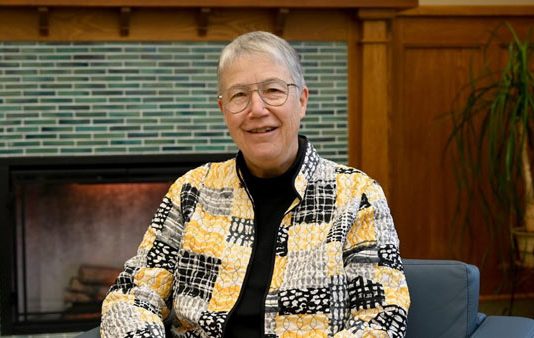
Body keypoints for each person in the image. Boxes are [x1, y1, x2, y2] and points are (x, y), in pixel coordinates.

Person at [101, 31, 410, 338]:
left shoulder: (357, 195)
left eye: (273, 90)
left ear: (301, 101)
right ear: (224, 111)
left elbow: (381, 320)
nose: (257, 109)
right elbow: (131, 296)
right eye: (239, 95)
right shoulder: (191, 191)